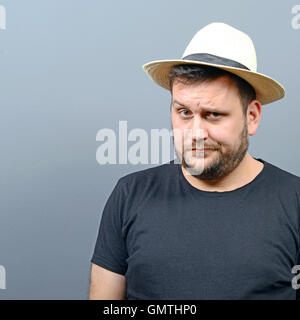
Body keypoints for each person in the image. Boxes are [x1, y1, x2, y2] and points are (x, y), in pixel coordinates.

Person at [89, 22, 300, 300]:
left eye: (213, 114)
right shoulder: (130, 195)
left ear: (252, 117)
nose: (196, 134)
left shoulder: (294, 201)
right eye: (184, 112)